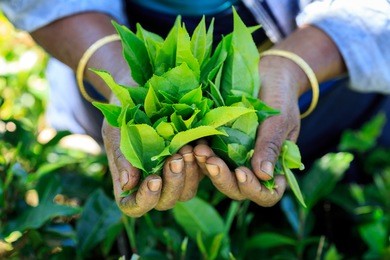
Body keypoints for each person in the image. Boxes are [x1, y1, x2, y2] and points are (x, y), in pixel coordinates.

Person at [1, 0, 389, 217]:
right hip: (107, 41)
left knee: (345, 197)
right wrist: (120, 79)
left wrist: (291, 68)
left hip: (328, 65)